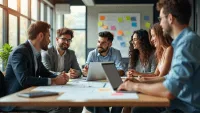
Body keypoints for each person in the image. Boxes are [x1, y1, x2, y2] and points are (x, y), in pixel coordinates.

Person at [118, 0, 200, 113]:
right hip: (179, 104)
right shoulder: (183, 42)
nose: (160, 24)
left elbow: (170, 90)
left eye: (161, 19)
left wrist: (134, 87)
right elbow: (169, 78)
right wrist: (139, 82)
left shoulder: (187, 43)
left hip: (186, 108)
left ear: (170, 18)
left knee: (138, 110)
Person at [3, 21, 70, 112]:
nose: (49, 40)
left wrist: (59, 76)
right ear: (41, 36)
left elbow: (44, 72)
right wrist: (54, 80)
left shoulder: (35, 53)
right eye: (48, 36)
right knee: (60, 105)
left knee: (63, 101)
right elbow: (24, 80)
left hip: (30, 95)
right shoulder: (20, 52)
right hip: (15, 100)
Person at [83, 31, 124, 113]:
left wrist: (103, 73)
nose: (99, 45)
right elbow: (85, 71)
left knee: (121, 98)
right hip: (96, 86)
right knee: (93, 102)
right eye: (98, 42)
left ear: (110, 44)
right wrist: (85, 71)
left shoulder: (116, 53)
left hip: (112, 84)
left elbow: (121, 71)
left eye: (103, 43)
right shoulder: (92, 54)